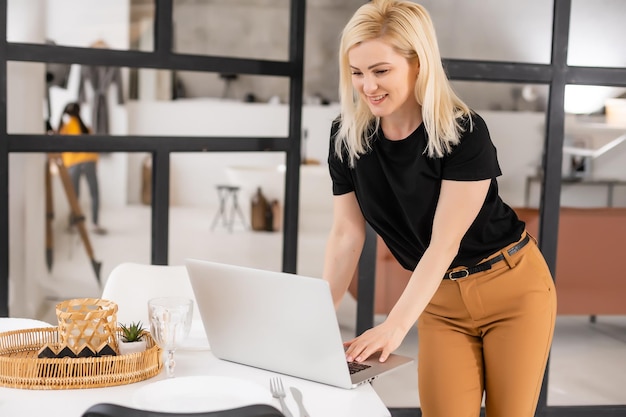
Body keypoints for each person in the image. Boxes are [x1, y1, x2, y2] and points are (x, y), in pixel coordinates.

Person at [323, 1, 557, 416]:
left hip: (512, 289)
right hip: (441, 301)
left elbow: (443, 243)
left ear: (419, 64)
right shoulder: (347, 138)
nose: (367, 86)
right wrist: (316, 317)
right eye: (356, 72)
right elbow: (346, 235)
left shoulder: (463, 132)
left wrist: (394, 327)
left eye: (381, 71)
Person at [59, 102, 107, 235]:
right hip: (89, 162)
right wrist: (94, 164)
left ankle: (74, 224)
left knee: (74, 195)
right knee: (94, 194)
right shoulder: (87, 128)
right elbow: (94, 148)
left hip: (73, 164)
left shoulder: (66, 128)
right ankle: (95, 224)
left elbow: (59, 145)